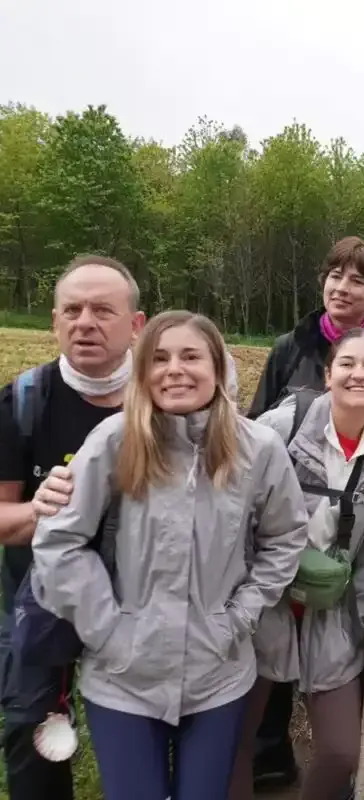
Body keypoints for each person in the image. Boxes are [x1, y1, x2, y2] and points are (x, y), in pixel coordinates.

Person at [30, 310, 308, 800]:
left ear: (218, 367)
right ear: (142, 372)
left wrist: (237, 617)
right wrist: (110, 629)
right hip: (123, 677)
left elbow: (284, 538)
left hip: (218, 671)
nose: (174, 369)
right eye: (158, 358)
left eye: (190, 356)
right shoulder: (112, 441)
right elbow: (60, 542)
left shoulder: (259, 449)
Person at [229, 327, 364, 800]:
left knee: (342, 750)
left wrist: (358, 616)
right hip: (259, 604)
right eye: (347, 364)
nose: (358, 374)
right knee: (233, 743)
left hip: (331, 612)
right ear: (328, 374)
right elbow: (230, 503)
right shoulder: (281, 426)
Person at [0, 255, 145, 800]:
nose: (85, 321)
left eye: (103, 310)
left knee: (148, 733)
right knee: (29, 730)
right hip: (40, 602)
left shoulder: (164, 405)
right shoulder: (23, 402)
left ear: (135, 325)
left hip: (138, 601)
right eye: (72, 310)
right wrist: (39, 511)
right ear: (54, 322)